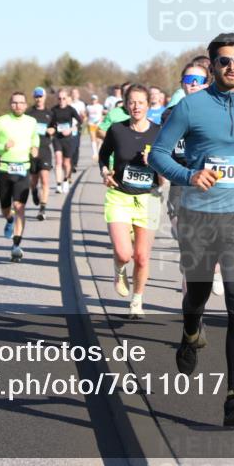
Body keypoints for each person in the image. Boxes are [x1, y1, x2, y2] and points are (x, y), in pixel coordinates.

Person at [150, 32, 234, 427]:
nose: (231, 67)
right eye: (223, 61)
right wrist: (190, 175)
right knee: (199, 294)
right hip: (198, 218)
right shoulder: (190, 108)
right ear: (212, 65)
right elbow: (158, 154)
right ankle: (191, 330)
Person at [99, 84, 163, 319]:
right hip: (120, 196)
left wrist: (155, 162)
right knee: (124, 253)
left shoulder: (159, 132)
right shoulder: (117, 130)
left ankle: (137, 301)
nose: (136, 106)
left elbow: (164, 176)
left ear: (149, 104)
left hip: (149, 198)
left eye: (141, 102)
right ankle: (119, 268)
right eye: (132, 102)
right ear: (126, 104)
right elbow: (103, 155)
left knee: (142, 256)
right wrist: (105, 171)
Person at [162, 61, 223, 296]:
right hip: (181, 182)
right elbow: (160, 150)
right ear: (182, 85)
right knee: (188, 245)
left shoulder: (218, 112)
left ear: (207, 84)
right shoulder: (169, 114)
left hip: (210, 184)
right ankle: (193, 319)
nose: (193, 85)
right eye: (189, 81)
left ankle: (215, 269)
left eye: (198, 81)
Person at [0, 91, 40, 261]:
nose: (18, 105)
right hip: (5, 169)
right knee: (6, 207)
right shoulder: (2, 121)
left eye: (21, 102)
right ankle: (9, 219)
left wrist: (35, 147)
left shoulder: (31, 121)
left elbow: (34, 137)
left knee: (19, 205)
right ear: (10, 104)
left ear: (26, 105)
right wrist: (2, 145)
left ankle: (16, 245)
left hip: (23, 169)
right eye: (14, 102)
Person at [25, 86, 54, 221]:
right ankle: (34, 191)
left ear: (45, 97)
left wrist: (52, 130)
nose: (38, 99)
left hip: (45, 149)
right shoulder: (29, 113)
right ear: (34, 98)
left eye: (40, 96)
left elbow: (55, 127)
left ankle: (42, 209)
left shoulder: (50, 113)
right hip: (32, 150)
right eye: (36, 96)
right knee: (33, 180)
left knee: (45, 179)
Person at [49, 90, 83, 194]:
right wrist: (52, 129)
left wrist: (71, 129)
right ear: (57, 99)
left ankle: (66, 180)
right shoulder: (53, 110)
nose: (61, 100)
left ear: (67, 98)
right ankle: (58, 184)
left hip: (68, 139)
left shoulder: (71, 109)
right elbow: (50, 124)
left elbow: (80, 121)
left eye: (63, 98)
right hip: (57, 138)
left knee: (66, 162)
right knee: (58, 161)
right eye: (59, 98)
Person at [69, 88, 87, 182]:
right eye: (73, 93)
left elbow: (83, 115)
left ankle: (75, 163)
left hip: (77, 126)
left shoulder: (81, 104)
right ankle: (70, 164)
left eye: (76, 93)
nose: (74, 95)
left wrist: (82, 119)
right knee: (70, 145)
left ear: (78, 95)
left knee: (76, 146)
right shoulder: (68, 103)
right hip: (68, 127)